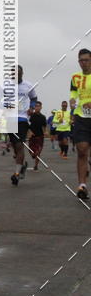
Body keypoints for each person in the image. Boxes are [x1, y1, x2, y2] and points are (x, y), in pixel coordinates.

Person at [8, 65, 37, 186]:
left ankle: (16, 173)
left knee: (19, 145)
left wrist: (32, 107)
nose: (16, 75)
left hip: (23, 119)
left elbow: (34, 98)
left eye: (18, 73)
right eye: (14, 73)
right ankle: (23, 166)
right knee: (15, 146)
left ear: (22, 73)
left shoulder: (28, 85)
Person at [69, 48, 91, 201]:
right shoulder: (75, 77)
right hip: (81, 117)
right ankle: (82, 185)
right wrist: (72, 100)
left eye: (86, 60)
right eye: (80, 60)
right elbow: (74, 93)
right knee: (82, 150)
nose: (83, 63)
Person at [27, 101, 47, 170]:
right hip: (32, 137)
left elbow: (44, 126)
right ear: (34, 107)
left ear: (41, 107)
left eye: (39, 106)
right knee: (32, 152)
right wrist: (29, 132)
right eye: (36, 106)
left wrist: (45, 132)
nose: (37, 107)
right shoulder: (31, 116)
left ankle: (36, 166)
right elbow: (28, 125)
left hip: (40, 137)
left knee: (38, 152)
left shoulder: (43, 117)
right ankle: (33, 155)